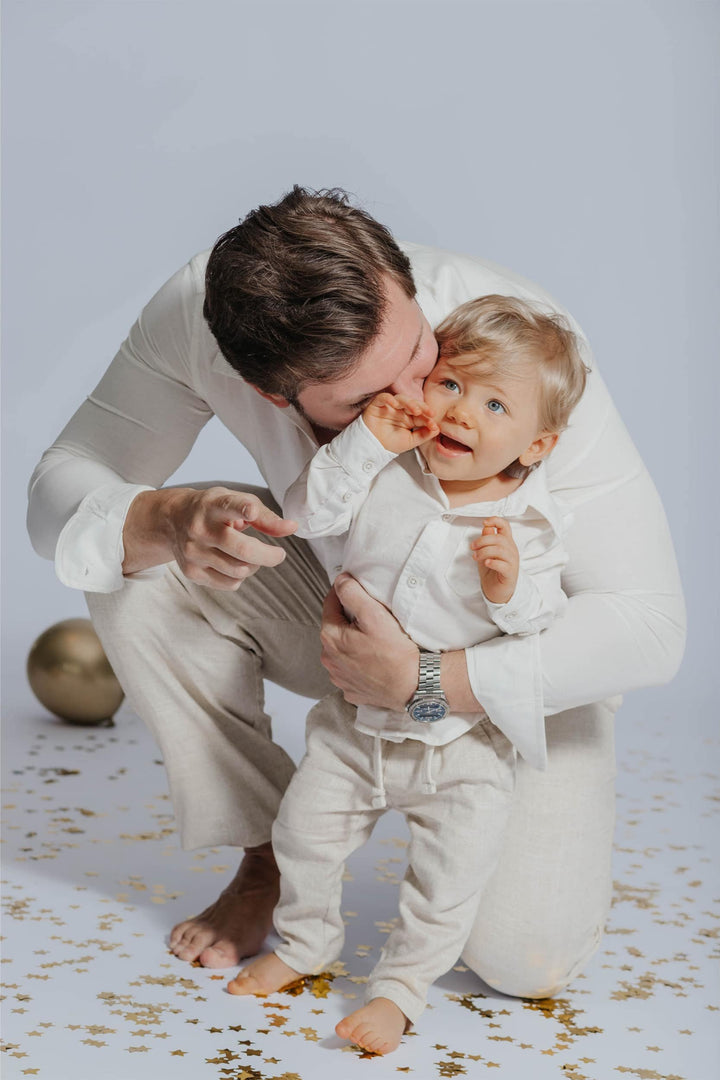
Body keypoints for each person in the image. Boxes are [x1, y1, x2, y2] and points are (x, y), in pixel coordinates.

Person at [27, 187, 685, 997]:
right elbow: (57, 489)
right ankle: (269, 856)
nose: (419, 399)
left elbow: (650, 623)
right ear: (277, 395)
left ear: (401, 281)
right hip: (349, 612)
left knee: (526, 964)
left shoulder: (520, 346)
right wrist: (161, 518)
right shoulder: (199, 320)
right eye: (367, 400)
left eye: (417, 350)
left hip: (514, 656)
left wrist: (431, 683)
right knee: (135, 558)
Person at [225, 296, 588, 1055]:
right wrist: (363, 443)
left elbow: (537, 628)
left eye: (495, 403)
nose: (461, 412)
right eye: (450, 385)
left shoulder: (532, 532)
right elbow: (315, 513)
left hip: (461, 747)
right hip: (357, 728)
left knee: (447, 881)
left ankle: (399, 991)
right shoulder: (391, 473)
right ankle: (304, 941)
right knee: (305, 833)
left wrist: (508, 587)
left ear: (538, 444)